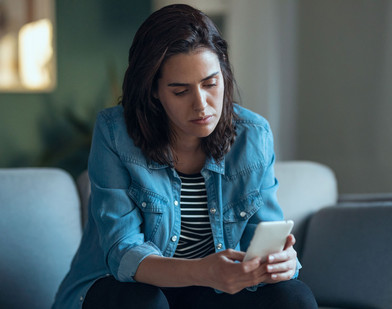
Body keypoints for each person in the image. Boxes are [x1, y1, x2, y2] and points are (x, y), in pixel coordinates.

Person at [52, 4, 318, 309]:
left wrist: (281, 263)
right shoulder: (116, 134)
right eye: (180, 91)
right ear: (154, 90)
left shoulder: (253, 135)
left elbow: (262, 237)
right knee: (143, 301)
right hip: (126, 290)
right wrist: (204, 271)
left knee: (293, 296)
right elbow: (122, 253)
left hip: (208, 295)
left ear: (224, 75)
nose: (202, 105)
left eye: (210, 84)